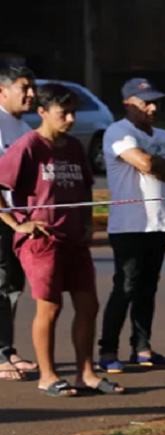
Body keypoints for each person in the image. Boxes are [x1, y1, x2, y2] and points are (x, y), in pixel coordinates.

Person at [0, 83, 122, 397]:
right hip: (42, 241)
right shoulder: (29, 145)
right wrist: (17, 223)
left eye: (72, 112)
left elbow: (85, 188)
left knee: (88, 305)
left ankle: (87, 374)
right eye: (62, 113)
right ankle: (48, 375)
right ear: (42, 112)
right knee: (50, 307)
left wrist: (88, 222)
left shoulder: (73, 147)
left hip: (74, 240)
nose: (69, 119)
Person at [97, 78, 165, 374]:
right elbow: (146, 164)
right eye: (145, 103)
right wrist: (161, 165)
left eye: (155, 102)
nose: (152, 108)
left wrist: (157, 164)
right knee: (124, 287)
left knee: (147, 289)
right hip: (129, 224)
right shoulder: (118, 132)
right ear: (128, 105)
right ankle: (108, 350)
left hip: (158, 222)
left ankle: (142, 347)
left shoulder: (162, 134)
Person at [0, 66, 36, 382]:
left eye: (32, 88)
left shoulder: (24, 129)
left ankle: (6, 349)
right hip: (3, 219)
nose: (31, 94)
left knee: (12, 285)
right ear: (3, 91)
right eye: (24, 87)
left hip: (17, 221)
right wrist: (9, 220)